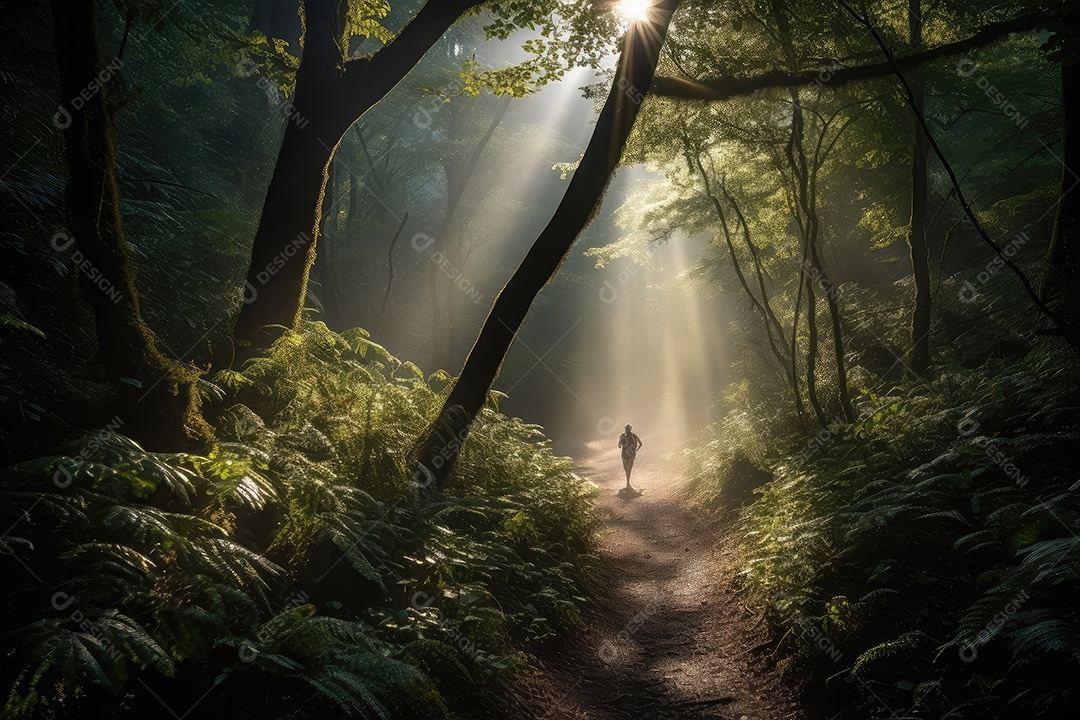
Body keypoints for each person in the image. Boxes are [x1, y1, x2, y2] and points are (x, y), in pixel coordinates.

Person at [618, 424, 643, 488]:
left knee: (626, 469)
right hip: (631, 454)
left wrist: (621, 443)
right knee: (628, 468)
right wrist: (636, 450)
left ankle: (628, 482)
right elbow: (640, 444)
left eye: (627, 429)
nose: (627, 430)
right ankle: (628, 482)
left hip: (625, 454)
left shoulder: (622, 436)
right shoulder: (634, 435)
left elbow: (619, 446)